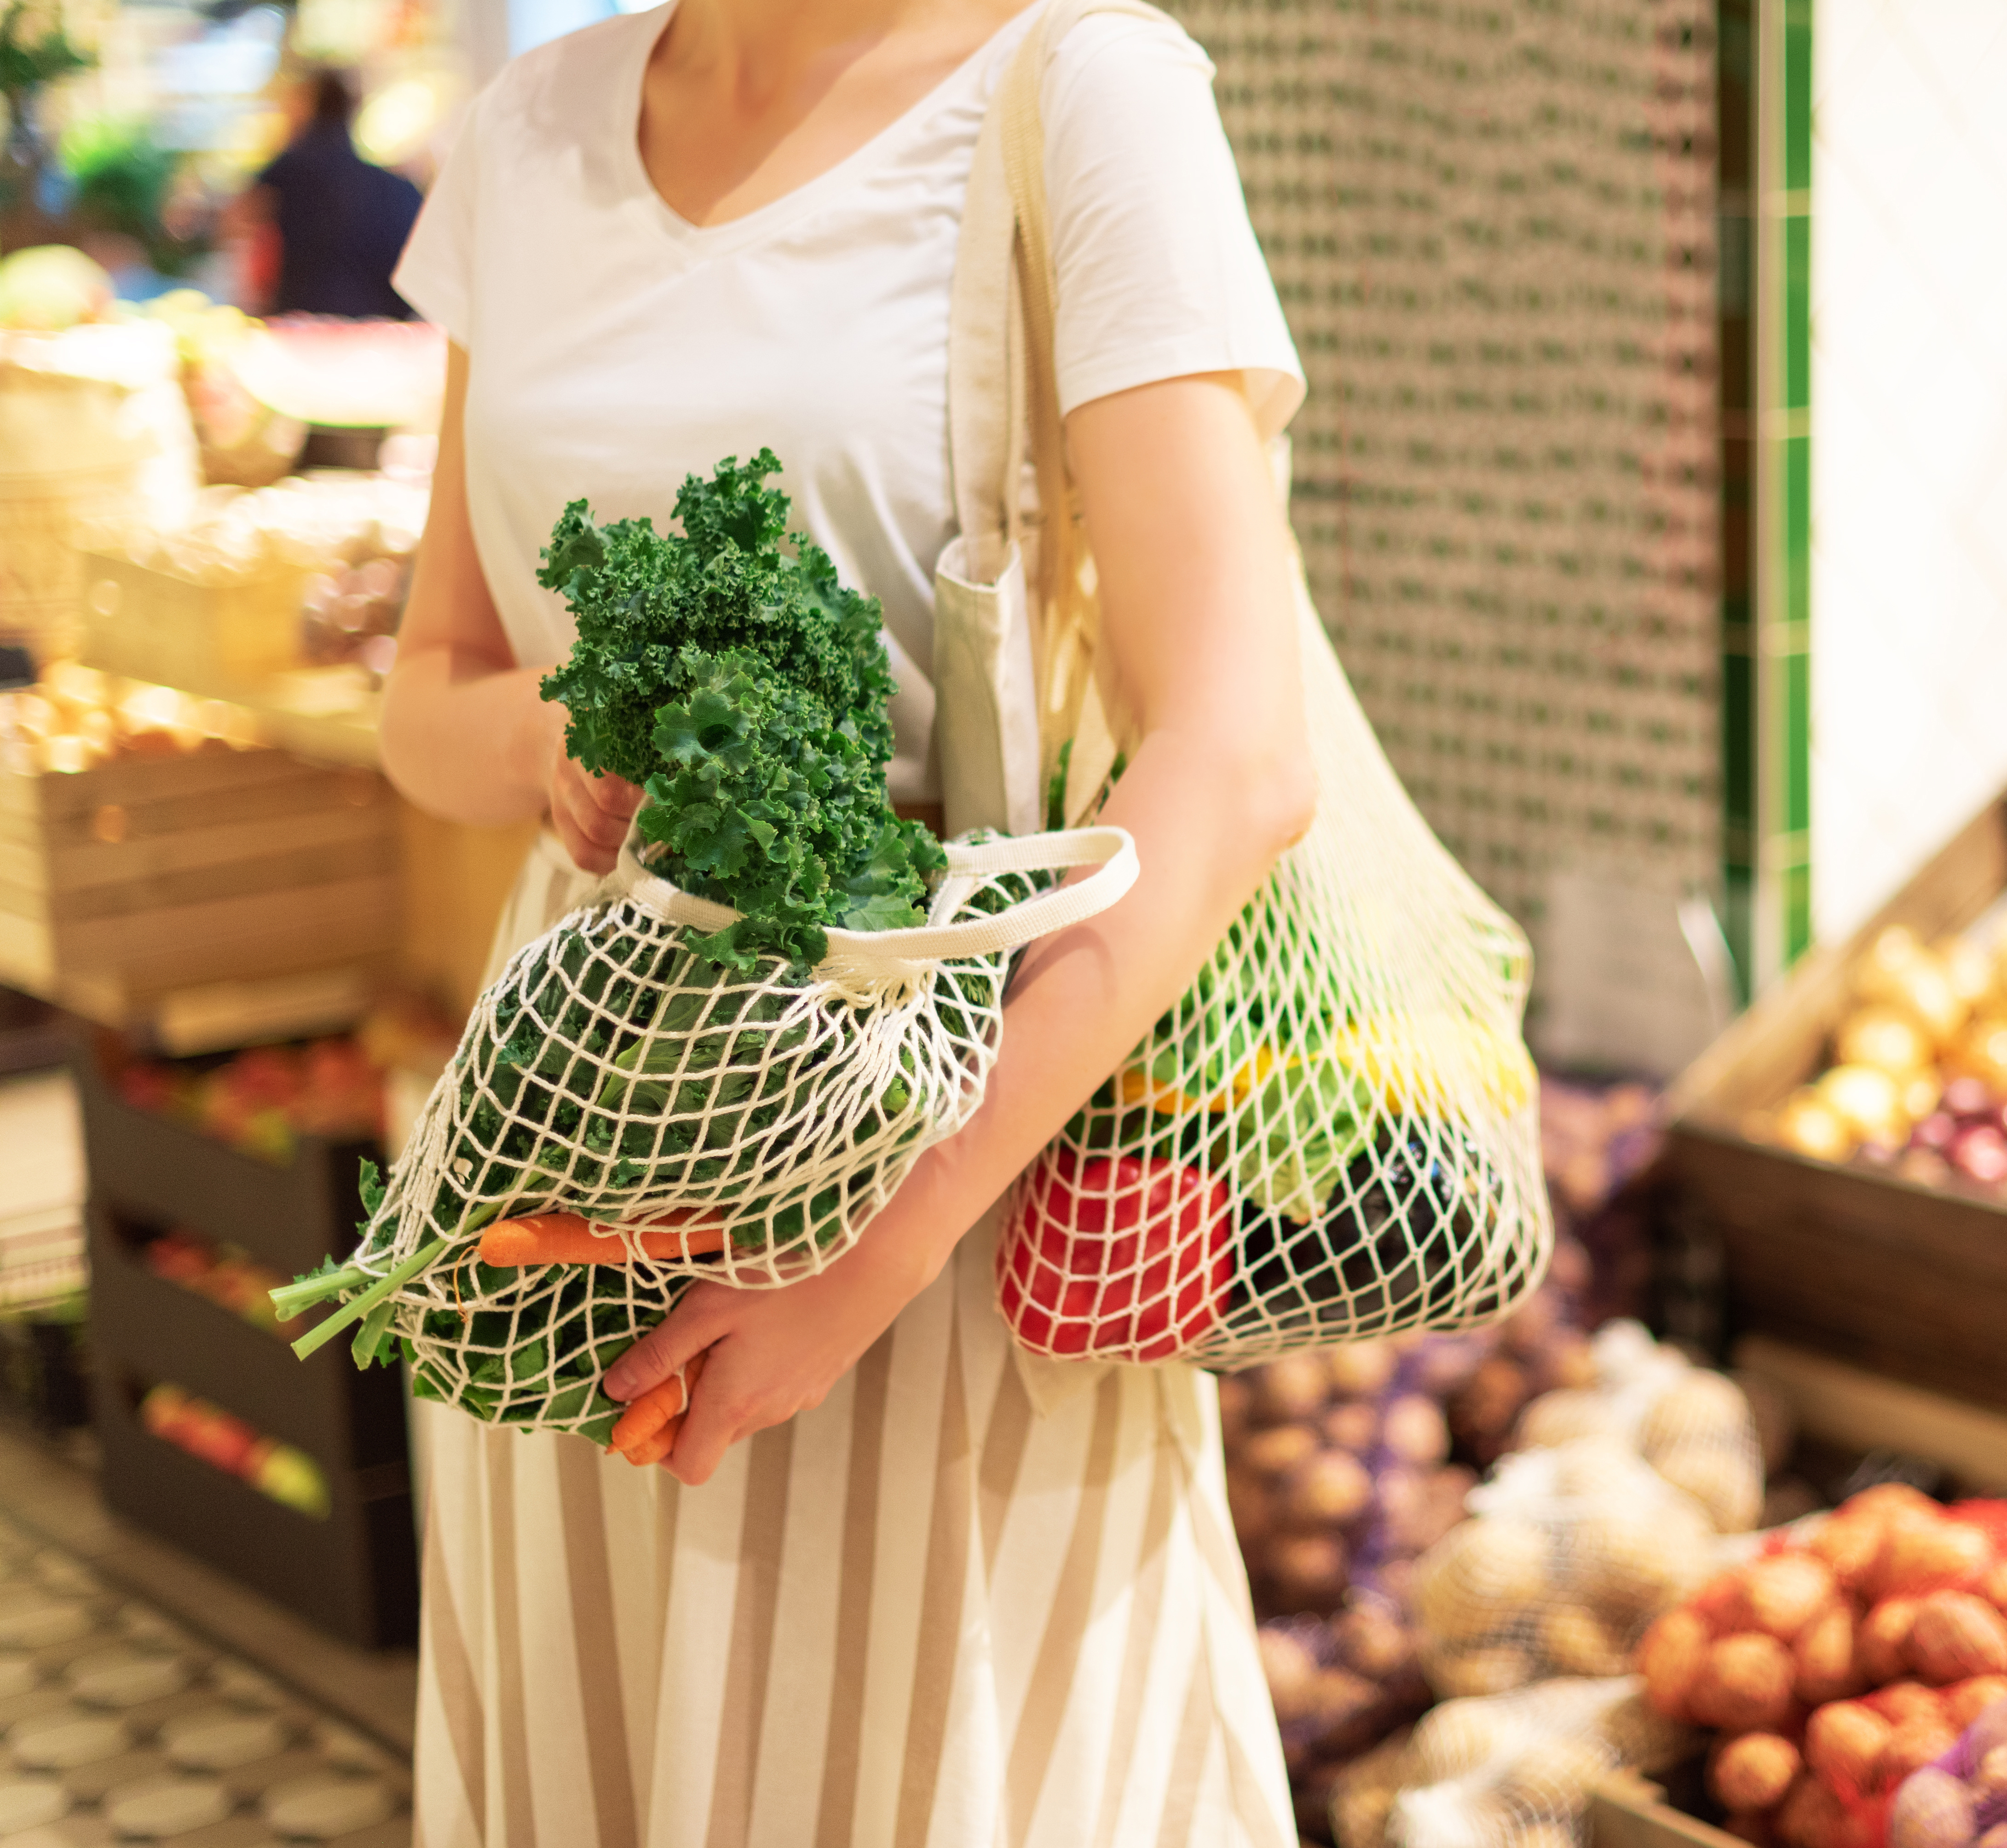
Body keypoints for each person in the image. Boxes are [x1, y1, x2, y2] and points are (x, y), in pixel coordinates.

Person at [377, 0, 1315, 1836]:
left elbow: (1235, 755)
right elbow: (429, 688)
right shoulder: (528, 130)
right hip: (562, 1150)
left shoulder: (1079, 87)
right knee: (597, 1754)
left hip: (925, 1128)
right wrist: (551, 729)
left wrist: (858, 1250)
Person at [246, 68, 422, 318]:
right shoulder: (396, 187)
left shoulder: (288, 170)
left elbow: (242, 225)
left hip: (304, 321)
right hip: (380, 323)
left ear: (308, 104)